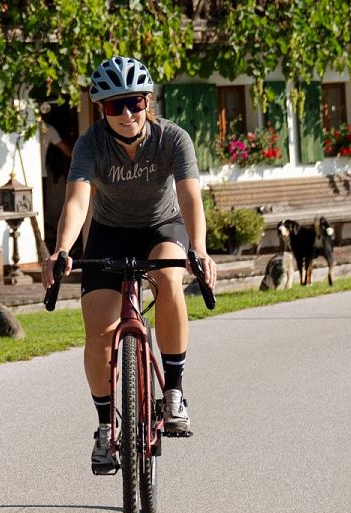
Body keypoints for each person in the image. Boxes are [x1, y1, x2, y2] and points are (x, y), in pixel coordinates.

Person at [41, 56, 217, 475]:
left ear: (147, 101)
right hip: (110, 233)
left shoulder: (173, 138)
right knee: (98, 332)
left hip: (162, 227)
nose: (125, 114)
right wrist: (62, 249)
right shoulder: (90, 144)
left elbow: (190, 196)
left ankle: (173, 393)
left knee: (170, 280)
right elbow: (78, 199)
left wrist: (200, 248)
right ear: (101, 109)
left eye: (134, 103)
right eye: (113, 106)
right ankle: (105, 426)